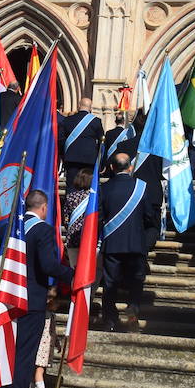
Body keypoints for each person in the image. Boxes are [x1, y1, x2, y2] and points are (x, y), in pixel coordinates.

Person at [0, 189, 71, 388]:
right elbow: (48, 265)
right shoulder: (43, 229)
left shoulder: (9, 225)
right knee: (23, 357)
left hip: (5, 297)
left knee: (5, 352)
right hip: (29, 301)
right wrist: (72, 275)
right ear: (43, 208)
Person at [98, 152, 163, 332]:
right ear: (130, 167)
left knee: (110, 284)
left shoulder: (105, 188)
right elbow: (149, 216)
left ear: (111, 168)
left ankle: (110, 319)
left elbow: (99, 218)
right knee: (136, 281)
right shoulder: (141, 187)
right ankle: (133, 310)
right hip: (136, 243)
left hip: (112, 244)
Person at [57, 97, 103, 188]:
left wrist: (63, 155)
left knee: (72, 186)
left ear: (78, 106)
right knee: (88, 187)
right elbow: (101, 142)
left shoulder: (67, 120)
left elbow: (61, 140)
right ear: (90, 108)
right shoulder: (96, 121)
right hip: (89, 159)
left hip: (71, 159)